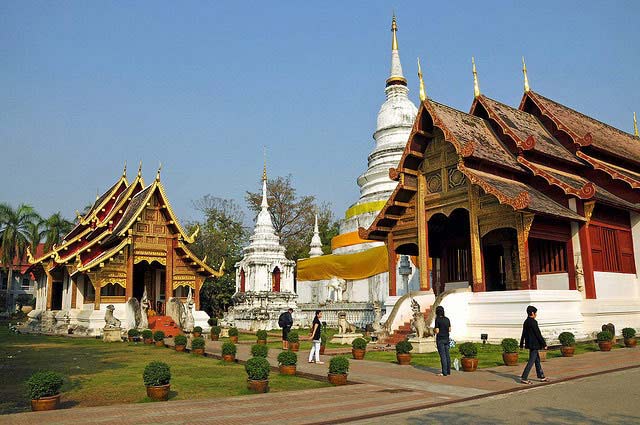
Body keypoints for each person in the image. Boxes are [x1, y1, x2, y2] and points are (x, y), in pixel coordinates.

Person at [519, 305, 549, 384]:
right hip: (535, 344)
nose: (536, 314)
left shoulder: (526, 321)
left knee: (537, 360)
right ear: (532, 313)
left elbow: (523, 333)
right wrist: (544, 344)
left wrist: (521, 344)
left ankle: (541, 376)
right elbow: (538, 334)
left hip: (530, 344)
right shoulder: (533, 322)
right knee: (531, 361)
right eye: (535, 313)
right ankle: (524, 377)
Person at [434, 305, 451, 376]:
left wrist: (434, 330)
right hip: (447, 338)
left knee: (443, 356)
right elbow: (450, 329)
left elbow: (437, 331)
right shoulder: (447, 319)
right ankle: (448, 371)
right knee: (447, 355)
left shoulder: (437, 319)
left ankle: (444, 372)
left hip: (440, 339)